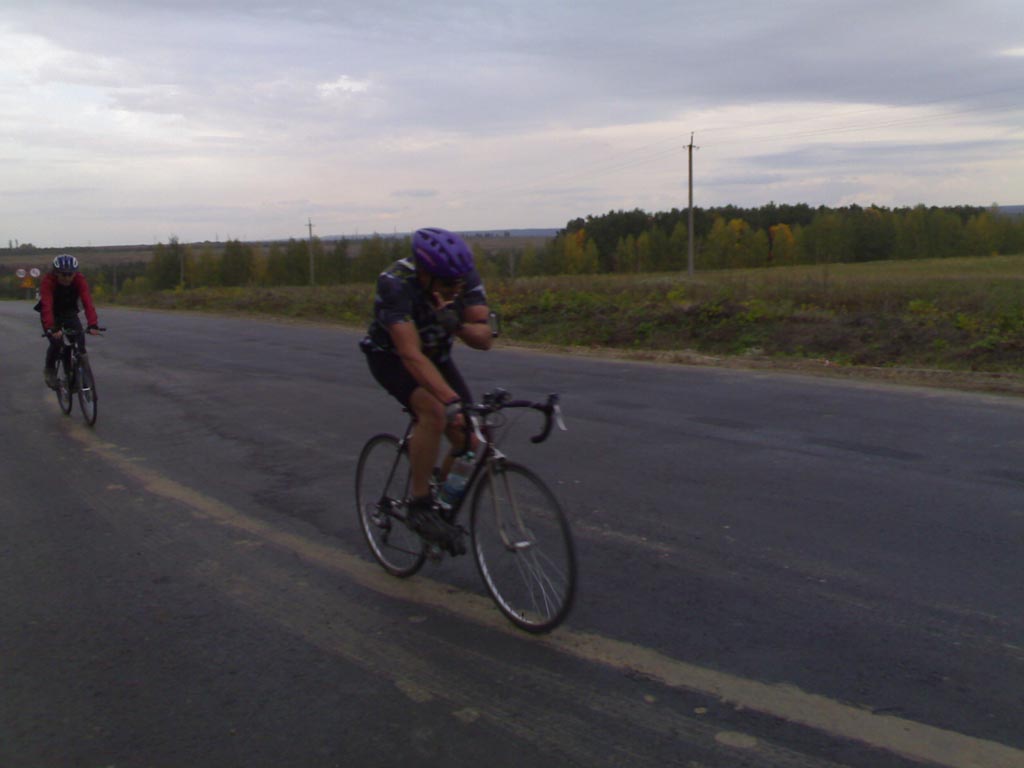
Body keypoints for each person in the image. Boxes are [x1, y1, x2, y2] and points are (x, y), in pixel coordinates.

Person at [360, 227, 494, 551]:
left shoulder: (462, 276)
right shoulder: (395, 282)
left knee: (470, 441)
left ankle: (439, 503)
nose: (455, 288)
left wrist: (456, 324)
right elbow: (410, 354)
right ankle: (419, 506)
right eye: (447, 284)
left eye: (459, 282)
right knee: (434, 411)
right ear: (424, 274)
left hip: (437, 356)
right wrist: (451, 400)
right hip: (392, 358)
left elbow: (485, 337)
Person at [38, 254, 101, 389]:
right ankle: (50, 370)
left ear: (75, 273)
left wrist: (93, 324)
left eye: (70, 274)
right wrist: (52, 327)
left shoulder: (79, 280)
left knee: (80, 341)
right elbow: (46, 305)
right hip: (52, 314)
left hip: (69, 311)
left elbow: (87, 302)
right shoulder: (48, 281)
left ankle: (81, 374)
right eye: (63, 274)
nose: (67, 278)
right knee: (57, 343)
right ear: (56, 273)